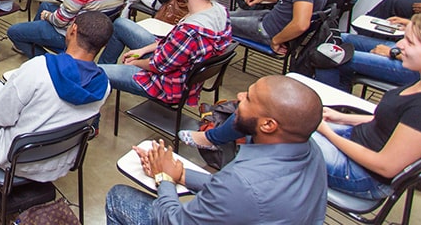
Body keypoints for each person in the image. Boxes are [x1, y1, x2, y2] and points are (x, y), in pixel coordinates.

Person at [184, 14, 421, 202]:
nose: (399, 47)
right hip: (357, 141)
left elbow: (387, 167)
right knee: (269, 113)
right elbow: (387, 123)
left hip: (363, 175)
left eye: (411, 43)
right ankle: (219, 152)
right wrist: (342, 118)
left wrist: (326, 131)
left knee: (264, 126)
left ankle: (230, 189)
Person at [106, 75, 327, 224]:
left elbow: (174, 220)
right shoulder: (310, 150)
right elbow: (232, 191)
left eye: (249, 99)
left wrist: (164, 178)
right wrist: (180, 173)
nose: (239, 97)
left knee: (118, 197)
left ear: (268, 125)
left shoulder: (242, 182)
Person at [0, 12, 113, 181]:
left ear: (73, 29)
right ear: (104, 46)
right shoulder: (104, 85)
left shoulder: (39, 68)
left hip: (15, 159)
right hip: (61, 160)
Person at [98, 0, 232, 107]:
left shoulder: (189, 32)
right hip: (174, 64)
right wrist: (143, 50)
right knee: (120, 24)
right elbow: (173, 43)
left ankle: (98, 76)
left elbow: (157, 66)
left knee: (94, 71)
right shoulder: (220, 11)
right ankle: (102, 80)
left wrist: (135, 62)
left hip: (165, 84)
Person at [314, 30, 419, 92]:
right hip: (411, 48)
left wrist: (393, 53)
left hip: (415, 67)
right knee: (340, 37)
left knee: (329, 56)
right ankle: (340, 92)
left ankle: (326, 106)